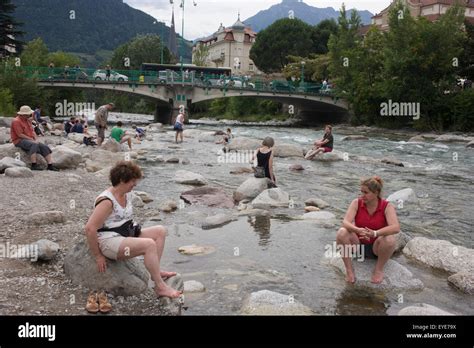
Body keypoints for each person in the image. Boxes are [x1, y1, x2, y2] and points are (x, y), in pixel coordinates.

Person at [84, 161, 182, 299]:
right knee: (149, 245)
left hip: (124, 234)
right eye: (132, 181)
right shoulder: (107, 201)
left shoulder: (126, 194)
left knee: (160, 231)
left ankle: (156, 272)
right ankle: (160, 287)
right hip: (109, 242)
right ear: (122, 180)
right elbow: (90, 228)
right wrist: (98, 256)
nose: (135, 184)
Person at [336, 177, 400, 284]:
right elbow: (345, 222)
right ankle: (349, 269)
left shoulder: (387, 206)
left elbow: (395, 227)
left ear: (376, 193)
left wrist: (375, 233)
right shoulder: (356, 203)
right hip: (358, 246)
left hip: (376, 248)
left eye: (366, 192)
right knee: (342, 232)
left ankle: (378, 270)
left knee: (390, 239)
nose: (362, 195)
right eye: (361, 192)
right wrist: (357, 230)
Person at [10, 106, 59, 171]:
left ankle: (50, 165)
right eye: (28, 114)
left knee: (44, 146)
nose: (29, 115)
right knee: (34, 144)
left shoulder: (27, 120)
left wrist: (35, 139)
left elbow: (32, 131)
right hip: (19, 140)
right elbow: (20, 134)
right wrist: (32, 140)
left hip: (28, 139)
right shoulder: (16, 121)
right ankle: (33, 165)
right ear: (23, 114)